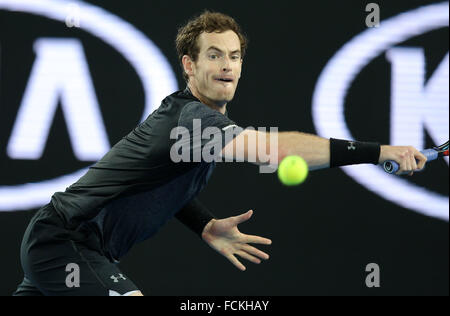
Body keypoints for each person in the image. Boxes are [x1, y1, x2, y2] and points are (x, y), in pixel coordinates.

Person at [13, 11, 426, 296]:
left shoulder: (198, 122)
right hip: (65, 240)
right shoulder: (192, 120)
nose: (226, 65)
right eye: (213, 55)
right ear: (189, 65)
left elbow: (158, 181)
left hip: (72, 246)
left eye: (234, 56)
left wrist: (205, 224)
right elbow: (276, 152)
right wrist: (378, 151)